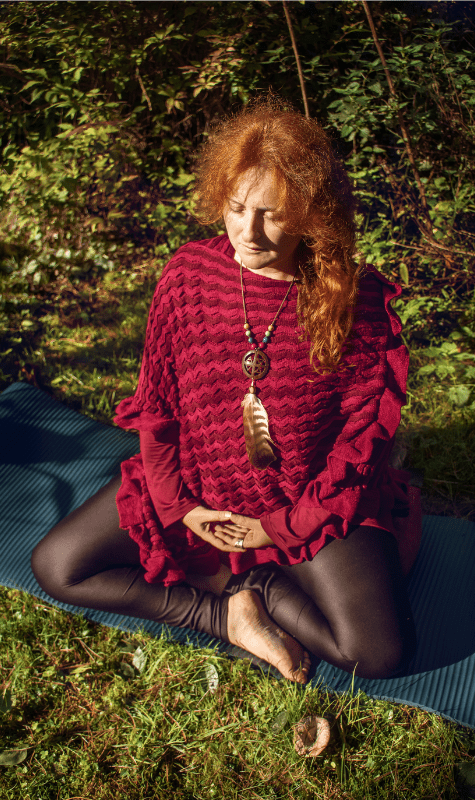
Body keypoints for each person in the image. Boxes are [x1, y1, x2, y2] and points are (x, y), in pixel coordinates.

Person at [31, 99, 421, 684]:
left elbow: (359, 443)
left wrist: (282, 527)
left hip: (305, 503)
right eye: (237, 208)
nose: (248, 230)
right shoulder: (190, 275)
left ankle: (258, 581)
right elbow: (158, 410)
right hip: (203, 488)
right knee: (57, 565)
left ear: (313, 214)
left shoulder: (353, 302)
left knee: (381, 654)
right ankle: (225, 612)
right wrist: (179, 507)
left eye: (271, 214)